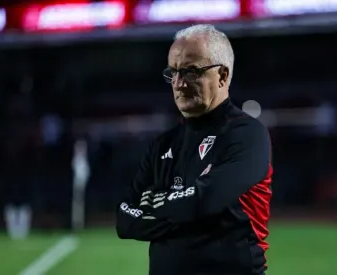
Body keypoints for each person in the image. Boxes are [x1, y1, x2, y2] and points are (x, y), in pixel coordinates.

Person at [116, 24, 273, 275]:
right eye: (173, 72)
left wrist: (157, 206)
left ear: (222, 75)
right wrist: (192, 211)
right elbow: (124, 220)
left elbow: (205, 200)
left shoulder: (248, 135)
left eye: (190, 71)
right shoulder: (162, 145)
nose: (178, 83)